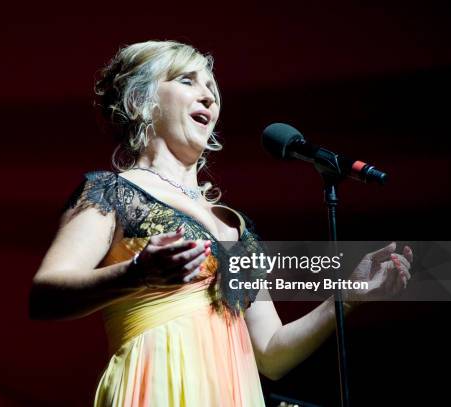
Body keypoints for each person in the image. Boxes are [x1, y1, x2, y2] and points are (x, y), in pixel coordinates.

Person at [28, 40, 413, 406]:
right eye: (186, 80)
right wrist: (137, 274)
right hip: (156, 384)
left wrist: (351, 296)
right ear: (140, 99)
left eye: (212, 86)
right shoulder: (111, 192)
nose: (209, 95)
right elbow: (45, 296)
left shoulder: (236, 227)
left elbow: (272, 353)